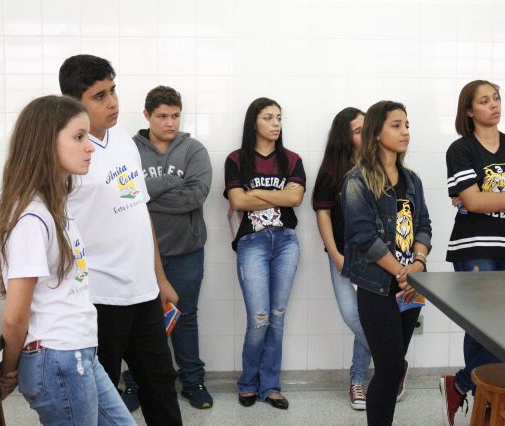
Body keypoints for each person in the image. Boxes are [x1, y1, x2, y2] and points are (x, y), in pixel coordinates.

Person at [0, 95, 135, 425]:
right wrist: (10, 369)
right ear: (45, 143)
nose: (90, 147)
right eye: (79, 137)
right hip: (58, 357)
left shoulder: (54, 206)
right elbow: (14, 317)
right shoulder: (32, 218)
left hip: (78, 351)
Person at [58, 55, 183, 426]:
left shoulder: (125, 142)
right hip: (98, 297)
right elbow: (7, 211)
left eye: (113, 91)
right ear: (74, 102)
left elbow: (138, 213)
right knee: (101, 393)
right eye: (99, 96)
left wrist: (159, 279)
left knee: (161, 385)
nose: (112, 102)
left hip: (143, 292)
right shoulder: (63, 151)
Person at [440, 80, 505, 426]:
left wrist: (485, 199)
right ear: (469, 111)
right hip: (473, 247)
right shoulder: (461, 149)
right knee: (483, 328)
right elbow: (473, 202)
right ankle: (484, 404)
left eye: (496, 98)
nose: (494, 105)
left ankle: (463, 384)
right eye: (484, 101)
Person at [341, 100, 432, 426]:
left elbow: (424, 225)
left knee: (394, 367)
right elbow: (363, 237)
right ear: (376, 133)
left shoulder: (413, 180)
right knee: (389, 366)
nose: (405, 131)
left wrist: (417, 264)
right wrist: (402, 272)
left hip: (413, 283)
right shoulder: (358, 180)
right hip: (378, 285)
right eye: (396, 125)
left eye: (407, 124)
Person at [132, 85, 213, 409]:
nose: (170, 123)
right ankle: (136, 383)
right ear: (147, 115)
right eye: (162, 116)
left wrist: (146, 195)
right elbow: (125, 195)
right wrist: (170, 182)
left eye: (175, 116)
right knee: (141, 321)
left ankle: (193, 382)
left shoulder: (194, 150)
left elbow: (195, 196)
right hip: (140, 252)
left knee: (185, 317)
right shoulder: (130, 150)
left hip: (186, 251)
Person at [224, 97, 305, 410]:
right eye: (268, 117)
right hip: (252, 243)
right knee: (259, 319)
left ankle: (270, 386)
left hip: (286, 242)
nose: (276, 124)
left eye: (279, 118)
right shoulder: (236, 160)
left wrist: (254, 192)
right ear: (253, 122)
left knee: (277, 318)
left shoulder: (292, 160)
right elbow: (237, 202)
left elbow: (295, 199)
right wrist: (276, 195)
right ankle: (248, 383)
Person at [313, 107, 374, 410]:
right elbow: (322, 214)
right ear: (344, 137)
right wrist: (335, 255)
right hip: (342, 254)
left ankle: (357, 380)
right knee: (354, 317)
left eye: (367, 127)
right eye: (358, 130)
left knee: (370, 319)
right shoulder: (331, 171)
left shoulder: (380, 165)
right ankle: (394, 360)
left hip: (377, 257)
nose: (366, 134)